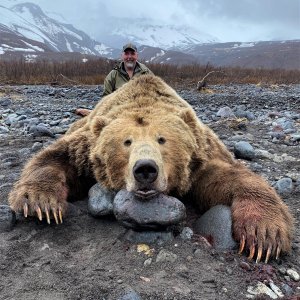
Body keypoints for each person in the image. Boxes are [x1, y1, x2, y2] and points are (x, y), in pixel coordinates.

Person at [75, 43, 153, 117]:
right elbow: (106, 99)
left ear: (137, 56)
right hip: (118, 111)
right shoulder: (113, 75)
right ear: (122, 56)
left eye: (132, 54)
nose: (129, 57)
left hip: (143, 110)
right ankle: (93, 114)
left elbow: (156, 94)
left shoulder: (146, 73)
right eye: (126, 54)